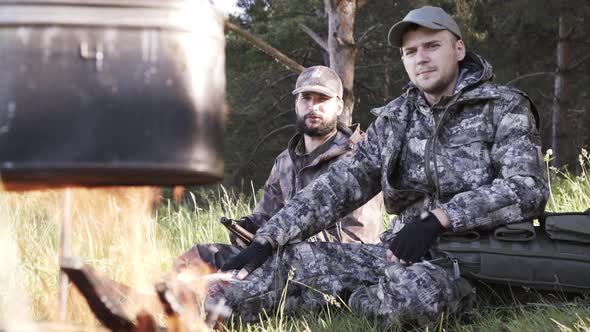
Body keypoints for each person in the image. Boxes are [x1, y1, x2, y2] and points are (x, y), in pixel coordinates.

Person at [209, 5, 549, 326]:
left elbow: (527, 189)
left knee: (415, 294)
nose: (422, 58)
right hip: (398, 255)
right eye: (411, 52)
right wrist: (268, 239)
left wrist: (440, 219)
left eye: (432, 46)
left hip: (474, 259)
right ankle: (205, 307)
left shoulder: (503, 106)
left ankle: (348, 299)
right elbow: (338, 187)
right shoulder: (395, 119)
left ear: (458, 50)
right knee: (293, 260)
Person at [175, 66, 384, 271]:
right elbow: (267, 216)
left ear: (338, 106)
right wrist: (247, 227)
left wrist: (280, 240)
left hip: (334, 265)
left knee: (227, 285)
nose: (313, 107)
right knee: (201, 256)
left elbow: (357, 237)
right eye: (307, 98)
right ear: (296, 104)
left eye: (322, 100)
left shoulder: (360, 158)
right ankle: (163, 299)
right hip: (279, 255)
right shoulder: (285, 161)